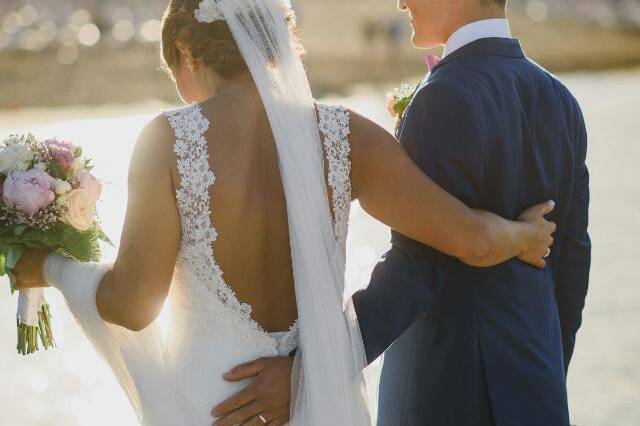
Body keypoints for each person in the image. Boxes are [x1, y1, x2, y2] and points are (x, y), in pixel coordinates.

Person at [12, 0, 556, 425]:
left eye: (172, 69)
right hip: (319, 407)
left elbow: (132, 305)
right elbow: (473, 242)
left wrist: (53, 267)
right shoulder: (348, 137)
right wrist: (524, 236)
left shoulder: (166, 142)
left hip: (211, 409)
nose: (179, 89)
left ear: (187, 51)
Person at [215, 0, 590, 425]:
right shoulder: (561, 99)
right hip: (539, 390)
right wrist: (543, 373)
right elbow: (572, 259)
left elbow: (416, 268)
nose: (401, 2)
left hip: (447, 391)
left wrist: (311, 373)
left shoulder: (445, 96)